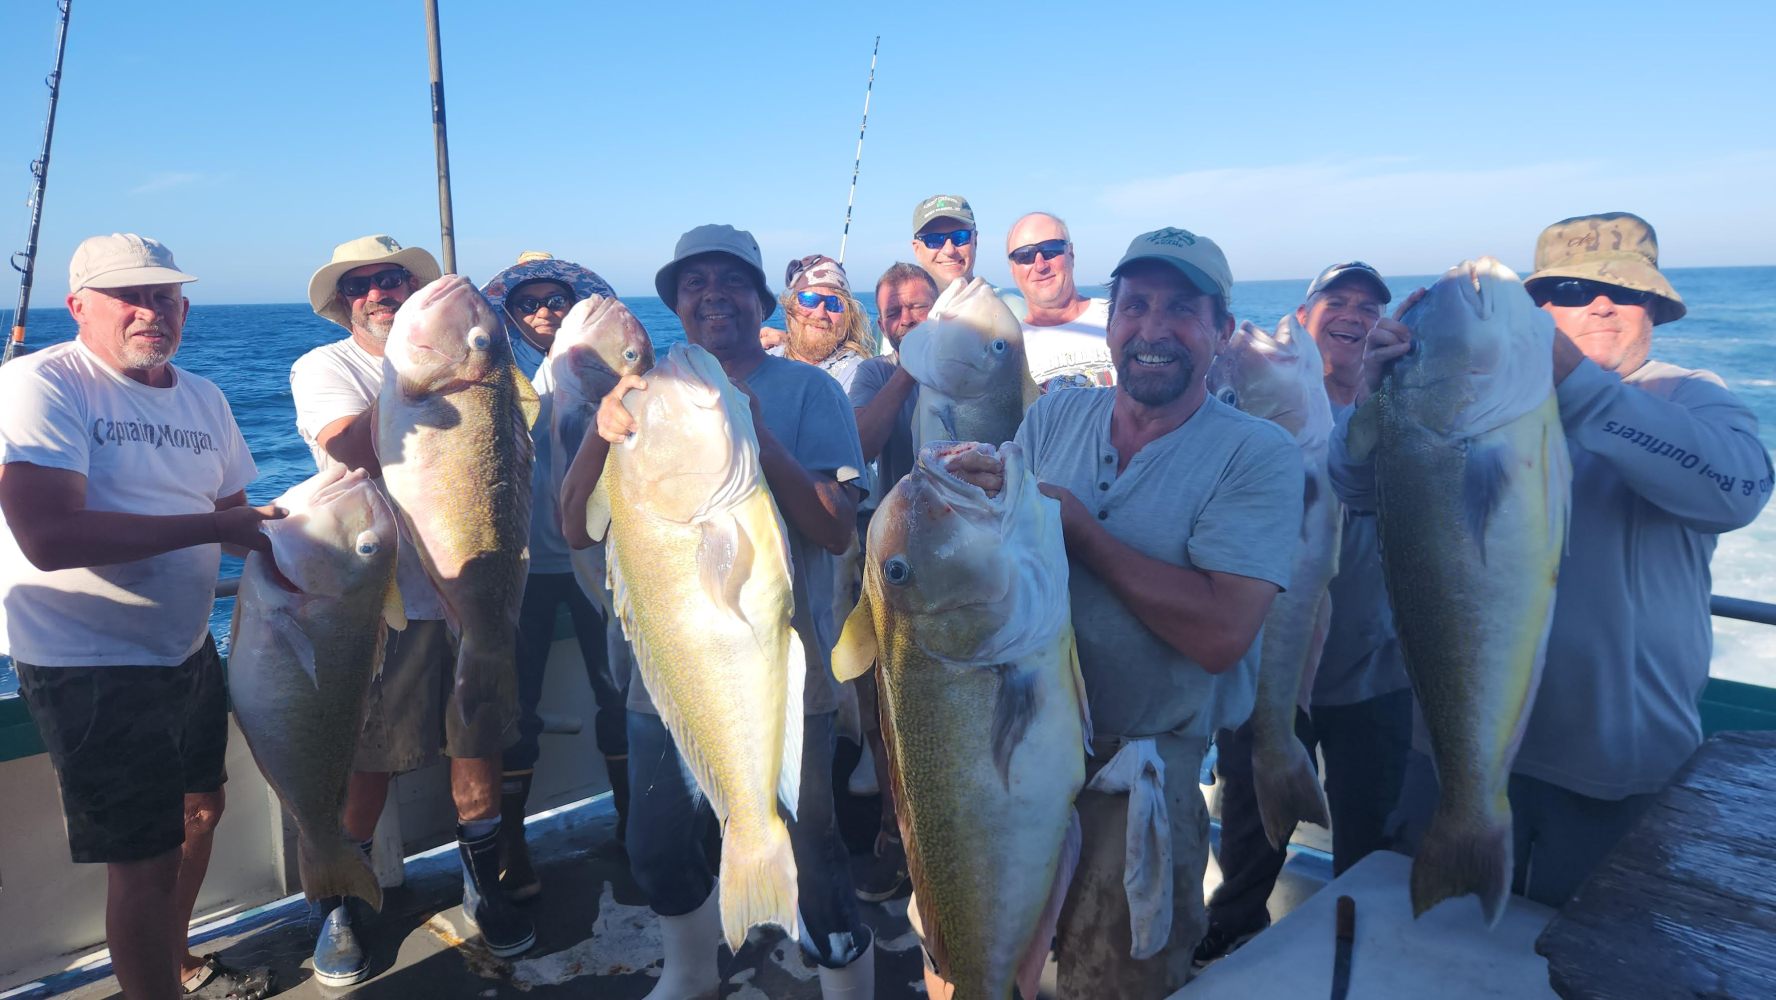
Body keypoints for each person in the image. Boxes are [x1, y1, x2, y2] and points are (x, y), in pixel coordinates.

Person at [1337, 212, 1773, 907]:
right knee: (1432, 960)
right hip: (1448, 754)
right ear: (1539, 307)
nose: (1601, 303)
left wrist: (1579, 385)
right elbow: (1358, 491)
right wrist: (1377, 403)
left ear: (1656, 307)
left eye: (1625, 291)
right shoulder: (1464, 393)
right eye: (1571, 288)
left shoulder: (1688, 394)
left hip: (1614, 774)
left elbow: (1739, 490)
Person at [947, 227, 1302, 997]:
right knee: (966, 953)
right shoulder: (1051, 420)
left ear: (1221, 332)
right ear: (1109, 326)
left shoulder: (1257, 454)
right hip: (1012, 751)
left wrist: (1078, 528)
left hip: (1142, 772)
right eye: (1134, 306)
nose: (1152, 328)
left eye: (1182, 309)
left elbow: (1221, 634)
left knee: (1114, 980)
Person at [561, 224, 876, 998]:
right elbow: (575, 527)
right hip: (662, 675)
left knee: (815, 855)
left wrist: (758, 436)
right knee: (657, 847)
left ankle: (844, 979)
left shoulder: (812, 393)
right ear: (674, 302)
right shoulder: (637, 399)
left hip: (782, 673)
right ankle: (691, 970)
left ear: (762, 300)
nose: (713, 296)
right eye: (694, 283)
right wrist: (600, 441)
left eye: (731, 282)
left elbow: (836, 529)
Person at [0, 234, 279, 1000]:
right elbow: (49, 538)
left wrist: (321, 538)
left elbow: (239, 514)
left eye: (163, 295)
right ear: (78, 306)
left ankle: (176, 960)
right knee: (146, 860)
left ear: (184, 307)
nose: (149, 310)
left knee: (202, 811)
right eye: (128, 295)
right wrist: (214, 530)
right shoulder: (43, 384)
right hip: (86, 663)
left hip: (186, 646)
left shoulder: (205, 397)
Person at [290, 235, 533, 982]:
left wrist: (463, 365)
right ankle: (343, 898)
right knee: (371, 754)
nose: (379, 293)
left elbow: (510, 449)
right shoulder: (325, 367)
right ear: (342, 304)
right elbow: (348, 446)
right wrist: (413, 383)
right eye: (361, 285)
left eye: (392, 279)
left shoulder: (479, 370)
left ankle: (482, 876)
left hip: (478, 586)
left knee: (477, 736)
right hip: (384, 598)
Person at [1196, 262, 1413, 964]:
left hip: (1371, 669)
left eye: (1368, 306)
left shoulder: (1405, 404)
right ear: (1308, 312)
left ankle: (1363, 957)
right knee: (1248, 833)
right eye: (1336, 302)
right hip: (1264, 667)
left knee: (1371, 842)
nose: (1353, 315)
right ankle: (1230, 938)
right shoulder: (1245, 417)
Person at [478, 252, 630, 899]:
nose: (545, 311)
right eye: (530, 302)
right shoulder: (490, 375)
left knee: (619, 693)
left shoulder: (596, 368)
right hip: (522, 567)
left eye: (555, 300)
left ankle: (635, 821)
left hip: (598, 556)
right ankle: (511, 841)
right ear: (509, 314)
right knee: (518, 708)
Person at [843, 262, 939, 902]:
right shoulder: (878, 374)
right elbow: (861, 443)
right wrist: (910, 365)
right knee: (891, 709)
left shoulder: (975, 366)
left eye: (918, 310)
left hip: (967, 568)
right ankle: (895, 829)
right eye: (893, 313)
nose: (906, 320)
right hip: (898, 568)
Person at [1005, 212, 1115, 391]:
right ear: (1012, 269)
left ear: (1071, 254)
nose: (1040, 265)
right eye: (1024, 256)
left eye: (1050, 250)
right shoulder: (1009, 351)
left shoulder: (1119, 317)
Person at [770, 254, 874, 390]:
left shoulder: (859, 374)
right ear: (790, 307)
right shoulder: (764, 358)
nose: (820, 314)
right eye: (809, 299)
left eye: (834, 303)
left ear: (848, 318)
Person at [910, 194, 977, 291]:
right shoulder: (904, 305)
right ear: (917, 250)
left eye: (960, 236)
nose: (949, 250)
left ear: (975, 241)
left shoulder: (1003, 304)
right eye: (934, 239)